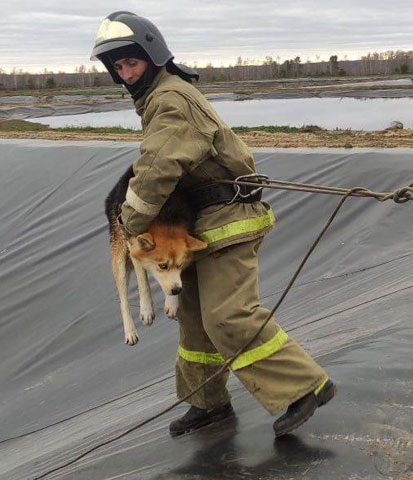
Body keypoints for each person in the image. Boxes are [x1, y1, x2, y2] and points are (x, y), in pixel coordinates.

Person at [90, 12, 336, 437]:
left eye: (131, 63)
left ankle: (305, 387)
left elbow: (157, 168)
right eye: (119, 68)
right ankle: (208, 404)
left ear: (152, 55)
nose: (126, 73)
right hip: (200, 222)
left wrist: (130, 222)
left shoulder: (170, 100)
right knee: (193, 319)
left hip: (227, 220)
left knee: (226, 316)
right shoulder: (156, 98)